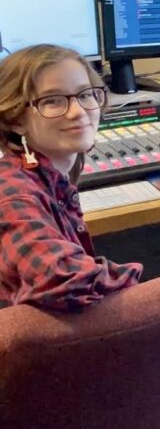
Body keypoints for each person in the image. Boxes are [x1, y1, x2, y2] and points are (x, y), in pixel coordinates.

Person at [0, 44, 141, 310]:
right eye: (52, 100)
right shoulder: (13, 194)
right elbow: (65, 279)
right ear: (15, 120)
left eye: (85, 94)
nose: (78, 112)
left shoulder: (49, 176)